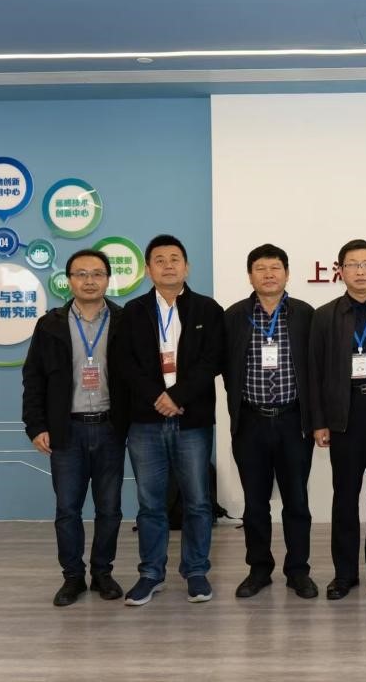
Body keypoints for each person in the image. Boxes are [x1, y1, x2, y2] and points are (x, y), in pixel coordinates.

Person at [118, 234, 224, 606]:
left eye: (175, 258)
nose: (168, 265)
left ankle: (196, 571)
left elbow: (213, 360)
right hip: (145, 423)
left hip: (192, 420)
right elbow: (125, 363)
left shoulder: (207, 309)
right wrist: (157, 397)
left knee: (198, 501)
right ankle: (151, 573)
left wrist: (177, 396)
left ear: (187, 267)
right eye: (159, 260)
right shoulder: (133, 311)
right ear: (148, 270)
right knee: (150, 503)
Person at [22, 248, 127, 606]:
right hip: (67, 429)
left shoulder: (124, 320)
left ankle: (102, 573)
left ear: (108, 279)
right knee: (67, 508)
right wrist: (36, 425)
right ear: (69, 280)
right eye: (81, 274)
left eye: (97, 274)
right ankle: (72, 577)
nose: (89, 280)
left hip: (111, 428)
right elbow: (33, 378)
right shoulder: (50, 324)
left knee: (109, 508)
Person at [222, 244, 318, 600]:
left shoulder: (306, 314)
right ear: (250, 276)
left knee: (297, 501)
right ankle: (259, 569)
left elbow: (317, 369)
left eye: (275, 268)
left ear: (287, 273)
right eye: (260, 269)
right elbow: (224, 367)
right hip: (251, 422)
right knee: (255, 503)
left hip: (293, 421)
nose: (268, 275)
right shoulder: (234, 316)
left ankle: (298, 571)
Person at [309, 239, 366, 599]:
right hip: (343, 415)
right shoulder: (324, 316)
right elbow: (314, 373)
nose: (360, 271)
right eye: (352, 264)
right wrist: (319, 421)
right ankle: (344, 574)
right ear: (340, 271)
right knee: (345, 497)